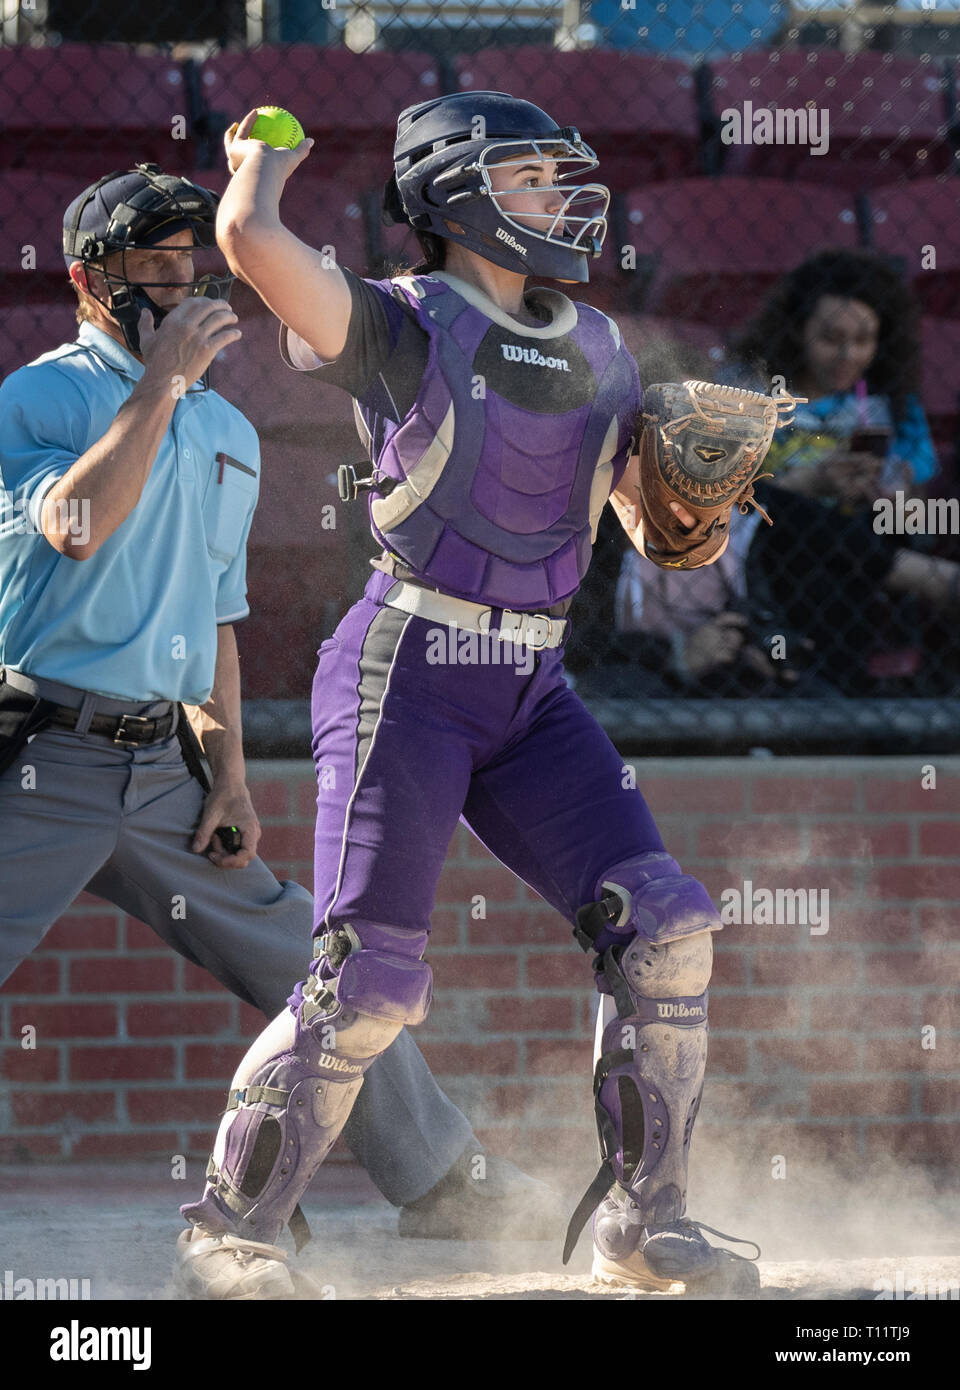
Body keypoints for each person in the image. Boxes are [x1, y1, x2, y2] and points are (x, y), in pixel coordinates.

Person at [176, 92, 765, 1300]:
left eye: (563, 175)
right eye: (533, 176)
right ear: (453, 194)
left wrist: (690, 515)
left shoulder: (602, 346)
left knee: (665, 925)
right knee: (367, 978)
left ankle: (647, 1224)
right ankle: (233, 1227)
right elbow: (251, 246)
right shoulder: (402, 322)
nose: (563, 198)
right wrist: (260, 167)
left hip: (533, 679)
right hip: (407, 668)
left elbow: (649, 533)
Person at [0, 163, 552, 1279]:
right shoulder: (41, 398)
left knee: (324, 959)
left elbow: (215, 621)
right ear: (85, 281)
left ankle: (444, 1181)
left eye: (188, 264)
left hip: (162, 770)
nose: (177, 283)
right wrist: (153, 385)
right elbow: (72, 528)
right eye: (146, 269)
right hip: (36, 759)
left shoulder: (230, 435)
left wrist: (231, 775)